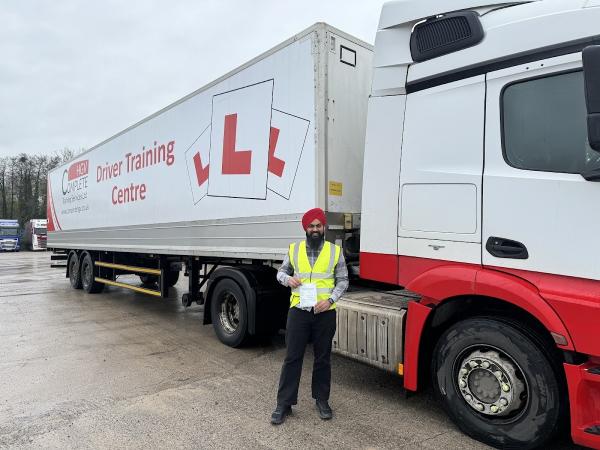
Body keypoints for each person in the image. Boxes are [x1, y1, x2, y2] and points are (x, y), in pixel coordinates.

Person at [271, 207, 349, 425]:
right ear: (305, 228)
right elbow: (280, 272)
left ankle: (322, 400)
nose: (315, 229)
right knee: (292, 357)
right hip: (299, 311)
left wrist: (330, 300)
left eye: (318, 225)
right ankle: (284, 404)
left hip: (324, 313)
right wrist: (288, 280)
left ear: (323, 227)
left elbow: (343, 280)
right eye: (311, 226)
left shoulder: (335, 251)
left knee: (322, 358)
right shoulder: (294, 250)